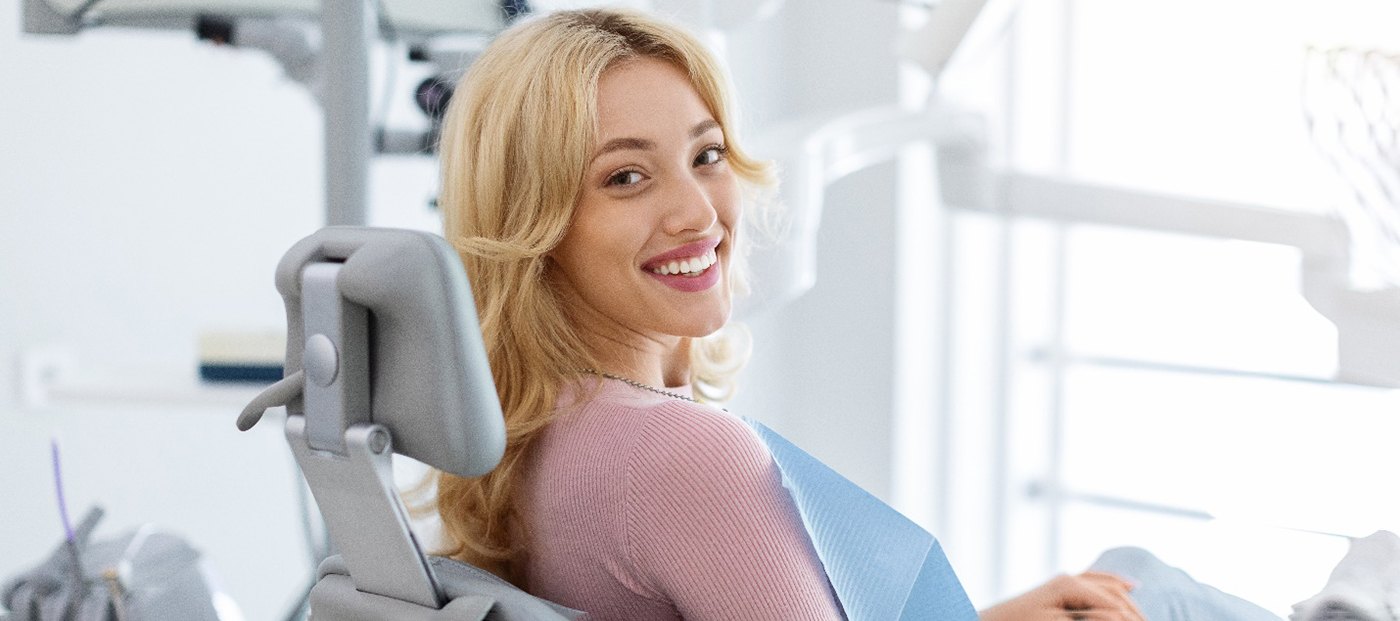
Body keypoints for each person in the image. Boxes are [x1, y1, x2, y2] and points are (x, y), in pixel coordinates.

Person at [428, 7, 1286, 621]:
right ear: (533, 223)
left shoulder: (532, 434)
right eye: (626, 176)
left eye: (707, 154)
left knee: (1116, 581)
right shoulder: (678, 454)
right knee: (1143, 584)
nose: (698, 212)